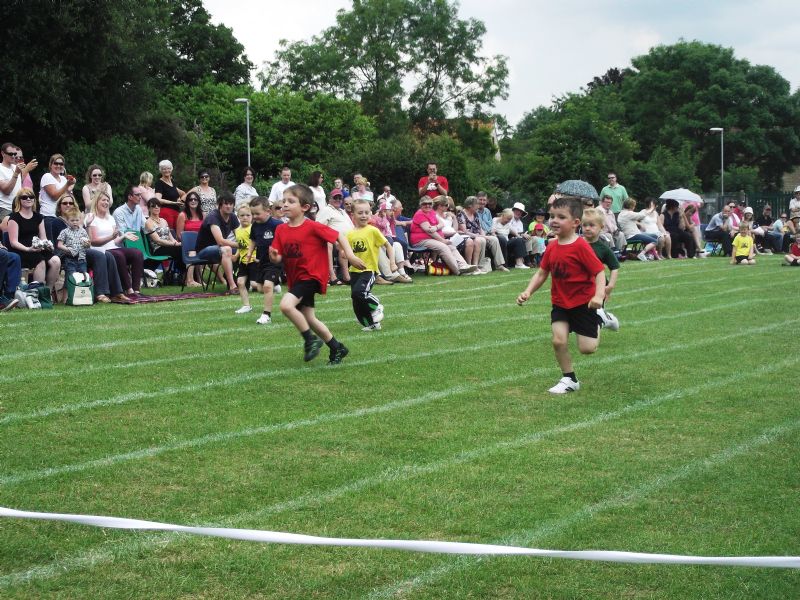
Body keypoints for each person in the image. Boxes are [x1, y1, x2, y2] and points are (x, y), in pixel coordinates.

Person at [516, 197, 606, 394]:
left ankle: (599, 319)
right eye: (552, 216)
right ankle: (569, 379)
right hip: (560, 303)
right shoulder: (552, 246)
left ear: (575, 223)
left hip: (584, 303)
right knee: (558, 340)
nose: (554, 220)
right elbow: (542, 272)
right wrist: (528, 291)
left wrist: (599, 296)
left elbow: (599, 272)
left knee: (587, 348)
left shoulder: (581, 246)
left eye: (561, 217)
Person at [270, 184, 365, 364]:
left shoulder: (313, 227)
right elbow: (278, 257)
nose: (285, 205)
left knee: (285, 305)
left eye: (291, 201)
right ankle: (337, 348)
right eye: (284, 201)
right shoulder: (280, 230)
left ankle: (310, 340)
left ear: (305, 207)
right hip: (295, 278)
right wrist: (275, 256)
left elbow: (339, 236)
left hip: (311, 276)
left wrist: (350, 256)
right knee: (309, 317)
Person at [51, 193, 127, 303]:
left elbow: (85, 239)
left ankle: (116, 292)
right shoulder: (57, 222)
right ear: (59, 206)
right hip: (67, 254)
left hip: (82, 251)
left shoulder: (77, 219)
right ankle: (100, 293)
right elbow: (61, 243)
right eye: (65, 203)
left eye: (71, 203)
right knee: (99, 255)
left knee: (108, 255)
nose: (68, 205)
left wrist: (86, 226)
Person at [348, 199, 397, 331]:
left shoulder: (372, 230)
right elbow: (345, 252)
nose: (364, 215)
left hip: (368, 270)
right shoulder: (349, 233)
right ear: (353, 214)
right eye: (360, 213)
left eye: (366, 212)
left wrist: (392, 262)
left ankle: (377, 306)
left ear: (370, 213)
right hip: (354, 271)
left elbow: (388, 245)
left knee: (360, 293)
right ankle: (372, 324)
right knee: (356, 302)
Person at [88, 190, 144, 297]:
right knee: (119, 255)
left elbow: (114, 240)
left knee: (137, 253)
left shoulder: (111, 219)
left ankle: (136, 290)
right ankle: (128, 289)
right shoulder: (92, 218)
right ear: (96, 202)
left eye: (107, 201)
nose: (106, 203)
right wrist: (111, 237)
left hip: (113, 247)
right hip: (100, 250)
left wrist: (123, 236)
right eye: (103, 200)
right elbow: (93, 241)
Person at [7, 188, 62, 288]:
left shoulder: (39, 217)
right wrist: (28, 249)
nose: (28, 199)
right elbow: (13, 242)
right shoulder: (14, 217)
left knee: (56, 260)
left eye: (31, 197)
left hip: (36, 247)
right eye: (24, 197)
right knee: (39, 260)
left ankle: (47, 291)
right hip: (21, 249)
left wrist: (47, 245)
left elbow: (43, 238)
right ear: (19, 200)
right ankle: (37, 291)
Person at [241, 196, 284, 324]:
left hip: (275, 261)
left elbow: (286, 239)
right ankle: (275, 285)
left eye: (257, 214)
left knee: (266, 287)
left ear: (268, 211)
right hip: (261, 260)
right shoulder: (255, 226)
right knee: (260, 288)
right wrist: (249, 253)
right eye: (252, 214)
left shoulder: (277, 225)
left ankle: (266, 315)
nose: (254, 216)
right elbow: (253, 239)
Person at [411, 197, 477, 275]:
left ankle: (464, 266)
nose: (427, 205)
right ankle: (458, 271)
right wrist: (443, 240)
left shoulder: (431, 212)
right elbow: (430, 232)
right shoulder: (420, 214)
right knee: (443, 246)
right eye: (424, 204)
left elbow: (441, 224)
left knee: (451, 246)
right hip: (421, 240)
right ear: (420, 205)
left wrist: (436, 227)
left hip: (433, 238)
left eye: (429, 203)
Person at [582, 208, 620, 331]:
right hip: (580, 285)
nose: (587, 228)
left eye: (592, 225)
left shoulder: (603, 248)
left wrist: (610, 287)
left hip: (598, 287)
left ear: (601, 227)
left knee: (595, 313)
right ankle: (606, 319)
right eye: (585, 225)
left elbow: (614, 267)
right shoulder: (577, 244)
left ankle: (604, 320)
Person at [195, 192, 240, 291]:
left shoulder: (232, 217)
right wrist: (239, 245)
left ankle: (248, 281)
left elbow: (240, 235)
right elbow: (220, 241)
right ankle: (233, 286)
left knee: (244, 250)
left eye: (231, 204)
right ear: (220, 205)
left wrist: (246, 244)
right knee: (227, 249)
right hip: (203, 251)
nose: (228, 206)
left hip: (219, 249)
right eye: (226, 204)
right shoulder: (213, 217)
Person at [458, 196, 507, 271]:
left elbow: (480, 228)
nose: (478, 206)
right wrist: (481, 236)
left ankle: (499, 265)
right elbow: (465, 231)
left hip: (479, 235)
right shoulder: (461, 214)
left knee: (494, 239)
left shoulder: (475, 214)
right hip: (470, 236)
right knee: (481, 240)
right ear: (470, 205)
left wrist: (484, 235)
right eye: (476, 204)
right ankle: (480, 266)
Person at [316, 188, 354, 285]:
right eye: (335, 198)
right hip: (335, 240)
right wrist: (333, 239)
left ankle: (372, 274)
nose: (338, 200)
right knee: (339, 245)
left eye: (340, 198)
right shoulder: (326, 210)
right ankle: (338, 276)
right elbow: (319, 228)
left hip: (351, 239)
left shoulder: (342, 211)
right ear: (329, 199)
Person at [39, 153, 75, 237]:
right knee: (52, 245)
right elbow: (54, 196)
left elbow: (70, 199)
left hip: (63, 218)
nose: (58, 166)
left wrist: (70, 188)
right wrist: (67, 185)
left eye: (61, 164)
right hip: (49, 216)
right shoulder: (47, 176)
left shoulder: (63, 179)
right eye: (56, 163)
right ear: (51, 165)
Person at [144, 198, 184, 271]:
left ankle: (180, 274)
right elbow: (158, 241)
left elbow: (170, 236)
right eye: (153, 206)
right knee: (179, 249)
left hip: (168, 247)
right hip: (158, 249)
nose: (156, 207)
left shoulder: (164, 220)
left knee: (183, 248)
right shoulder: (148, 222)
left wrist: (176, 242)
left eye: (158, 206)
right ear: (149, 209)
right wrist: (174, 244)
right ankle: (182, 274)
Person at [1, 142, 37, 220]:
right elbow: (6, 190)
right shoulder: (0, 168)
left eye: (14, 154)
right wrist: (17, 173)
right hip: (5, 208)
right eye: (11, 154)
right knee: (8, 232)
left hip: (18, 208)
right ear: (3, 153)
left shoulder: (15, 167)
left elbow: (21, 186)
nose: (13, 156)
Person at [56, 206, 90, 280]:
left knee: (83, 278)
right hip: (70, 259)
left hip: (82, 258)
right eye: (72, 220)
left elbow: (88, 244)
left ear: (80, 220)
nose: (75, 222)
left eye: (77, 220)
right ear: (67, 221)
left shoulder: (83, 231)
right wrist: (68, 249)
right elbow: (59, 245)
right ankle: (68, 291)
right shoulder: (65, 231)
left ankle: (82, 291)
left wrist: (87, 244)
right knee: (71, 278)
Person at [233, 204, 256, 313]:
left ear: (252, 216)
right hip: (243, 261)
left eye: (248, 215)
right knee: (240, 282)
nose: (245, 217)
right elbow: (240, 245)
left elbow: (256, 244)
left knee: (255, 284)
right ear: (238, 216)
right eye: (242, 215)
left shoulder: (253, 229)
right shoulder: (237, 230)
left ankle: (274, 285)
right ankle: (246, 305)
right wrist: (236, 255)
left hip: (253, 259)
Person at [153, 159, 185, 229]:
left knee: (177, 235)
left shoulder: (172, 182)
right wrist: (173, 203)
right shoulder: (159, 183)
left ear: (172, 169)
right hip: (166, 212)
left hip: (176, 212)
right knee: (169, 234)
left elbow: (182, 194)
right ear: (160, 170)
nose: (167, 170)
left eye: (168, 168)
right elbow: (157, 199)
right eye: (164, 169)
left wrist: (180, 200)